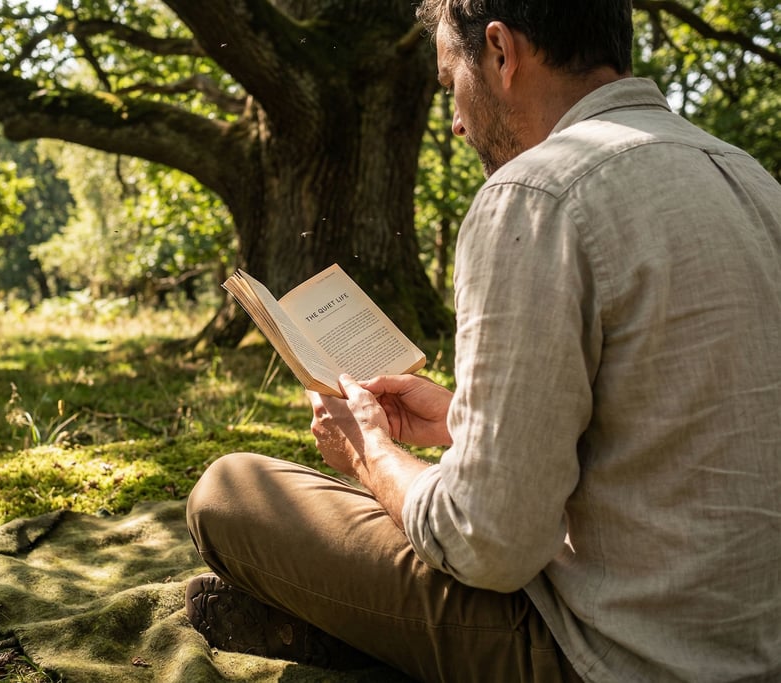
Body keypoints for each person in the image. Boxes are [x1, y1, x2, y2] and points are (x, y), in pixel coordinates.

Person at [184, 0, 781, 680]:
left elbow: (489, 544)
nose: (459, 120)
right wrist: (458, 422)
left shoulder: (535, 194)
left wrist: (369, 453)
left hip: (615, 654)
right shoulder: (752, 182)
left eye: (449, 86)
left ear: (499, 52)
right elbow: (677, 428)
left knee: (231, 490)